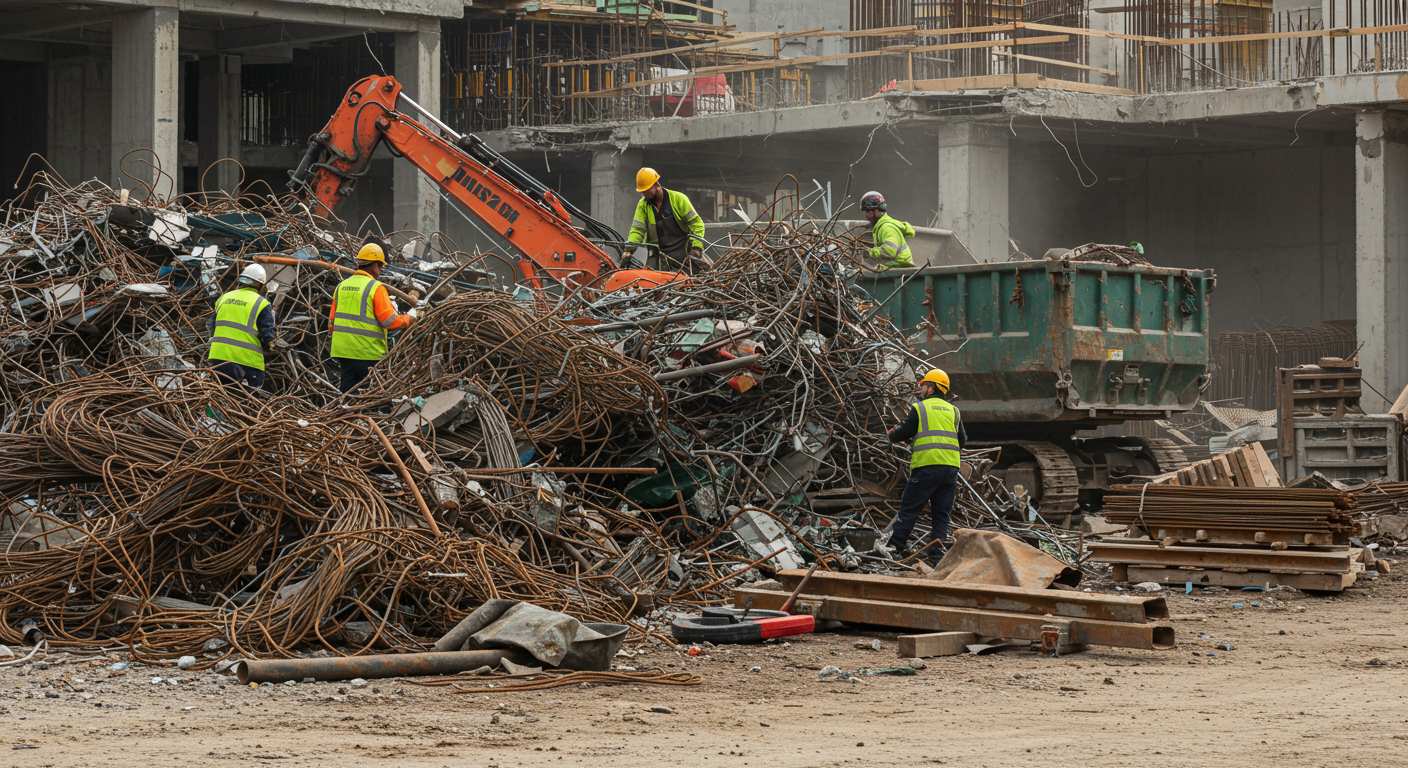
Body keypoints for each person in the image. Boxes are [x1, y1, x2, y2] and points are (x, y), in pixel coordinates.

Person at [886, 367, 966, 562]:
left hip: (927, 466)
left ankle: (895, 546)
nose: (921, 389)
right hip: (950, 469)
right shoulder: (954, 411)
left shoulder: (920, 408)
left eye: (924, 386)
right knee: (941, 513)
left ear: (931, 388)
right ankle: (936, 554)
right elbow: (962, 440)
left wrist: (891, 434)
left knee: (910, 508)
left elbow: (903, 432)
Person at [329, 242, 416, 393]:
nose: (380, 271)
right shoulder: (375, 288)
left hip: (342, 351)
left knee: (348, 394)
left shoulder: (342, 286)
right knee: (374, 395)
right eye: (380, 266)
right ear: (374, 265)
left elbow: (331, 323)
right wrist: (409, 318)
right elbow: (390, 322)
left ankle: (347, 415)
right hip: (366, 352)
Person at [207, 263, 276, 389]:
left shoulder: (224, 298)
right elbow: (267, 335)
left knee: (222, 394)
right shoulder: (261, 303)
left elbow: (212, 326)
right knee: (252, 398)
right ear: (261, 285)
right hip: (247, 362)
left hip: (217, 357)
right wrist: (271, 346)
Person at [626, 167, 706, 271]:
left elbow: (697, 224)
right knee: (650, 280)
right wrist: (628, 251)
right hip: (658, 253)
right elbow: (637, 230)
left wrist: (696, 247)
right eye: (642, 192)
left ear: (656, 185)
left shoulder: (679, 199)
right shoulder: (643, 205)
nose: (644, 194)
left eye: (647, 191)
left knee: (693, 279)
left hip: (682, 251)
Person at [861, 190, 915, 271]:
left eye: (868, 211)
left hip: (900, 269)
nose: (866, 216)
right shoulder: (880, 227)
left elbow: (889, 251)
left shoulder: (887, 227)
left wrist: (869, 252)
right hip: (895, 268)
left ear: (877, 211)